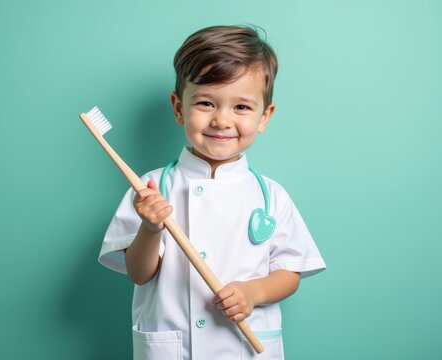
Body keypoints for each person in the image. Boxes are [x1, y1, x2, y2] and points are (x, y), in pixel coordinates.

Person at [98, 25, 326, 360]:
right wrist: (150, 228)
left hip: (244, 347)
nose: (222, 120)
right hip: (174, 347)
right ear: (178, 108)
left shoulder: (272, 197)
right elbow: (139, 273)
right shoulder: (149, 189)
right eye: (206, 102)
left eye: (242, 108)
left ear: (265, 116)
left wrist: (254, 291)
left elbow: (291, 273)